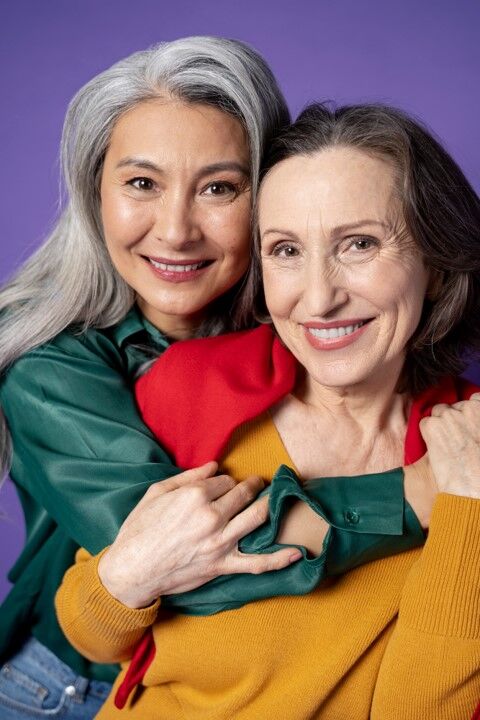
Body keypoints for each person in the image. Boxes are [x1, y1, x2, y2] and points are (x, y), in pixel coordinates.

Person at [0, 39, 429, 719]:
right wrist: (416, 497)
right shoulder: (49, 366)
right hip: (67, 689)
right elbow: (188, 564)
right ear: (94, 192)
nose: (176, 231)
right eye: (142, 183)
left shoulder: (314, 323)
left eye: (219, 188)